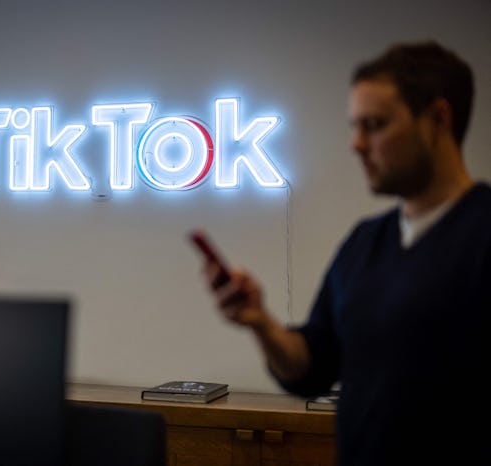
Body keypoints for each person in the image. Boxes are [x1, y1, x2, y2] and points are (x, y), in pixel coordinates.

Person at [200, 41, 490, 465]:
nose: (356, 144)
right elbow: (312, 366)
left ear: (437, 120)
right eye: (354, 126)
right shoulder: (365, 242)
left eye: (374, 125)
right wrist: (260, 322)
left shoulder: (482, 234)